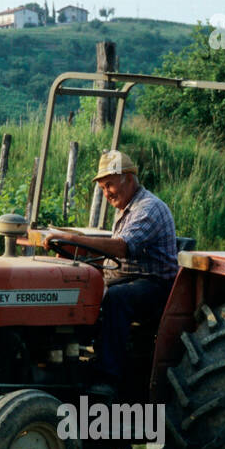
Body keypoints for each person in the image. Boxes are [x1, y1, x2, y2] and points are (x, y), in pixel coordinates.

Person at [45, 150, 177, 401]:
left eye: (109, 185)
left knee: (116, 298)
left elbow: (121, 247)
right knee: (79, 288)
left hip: (155, 285)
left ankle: (107, 378)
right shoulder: (127, 208)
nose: (106, 193)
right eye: (103, 188)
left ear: (127, 178)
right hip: (128, 279)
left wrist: (71, 239)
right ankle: (66, 360)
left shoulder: (148, 208)